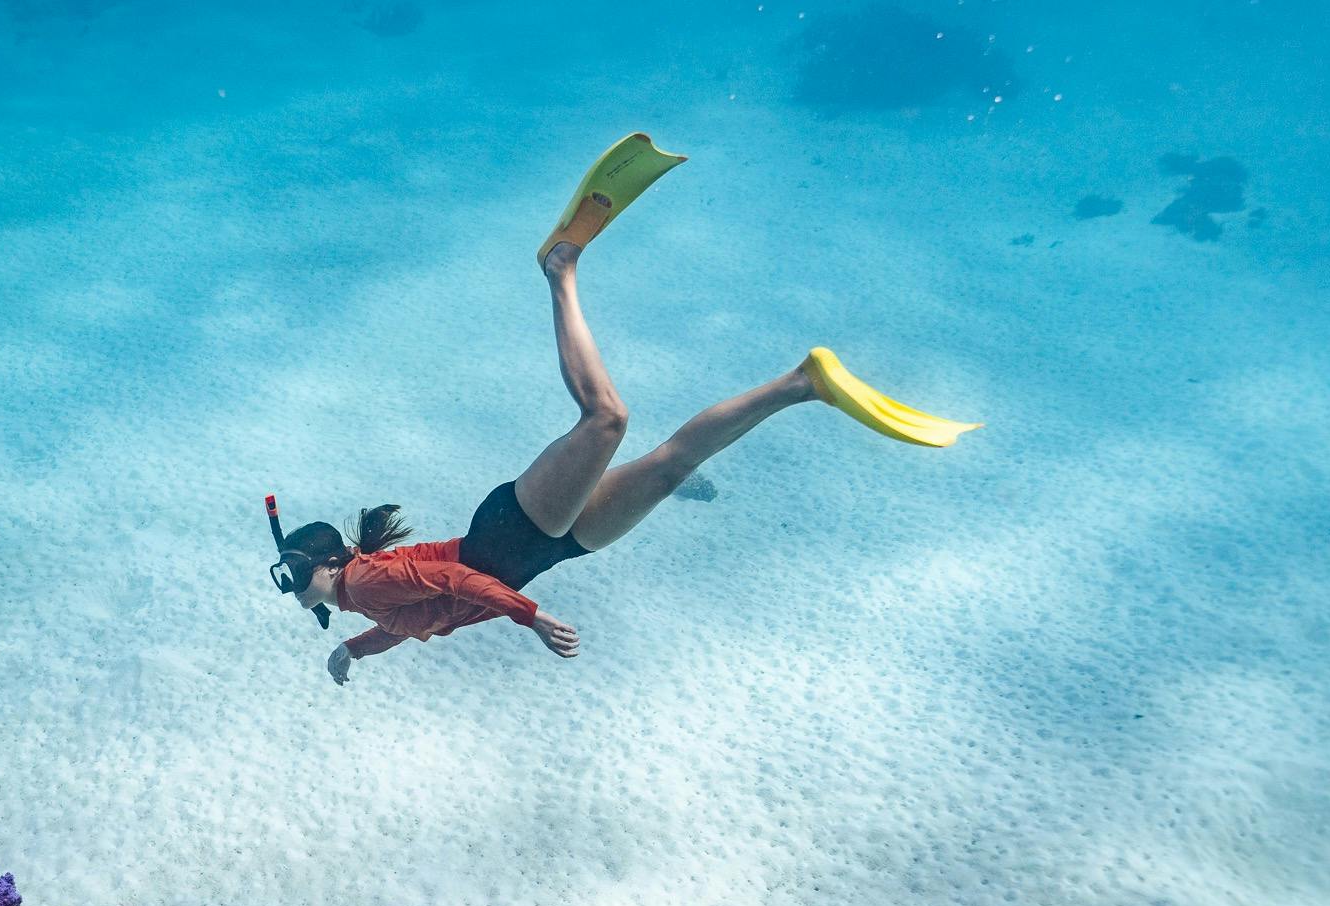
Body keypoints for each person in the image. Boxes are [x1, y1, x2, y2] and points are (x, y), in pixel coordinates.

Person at [266, 133, 979, 687]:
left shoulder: (365, 579)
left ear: (328, 564)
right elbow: (410, 622)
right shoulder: (364, 598)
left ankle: (559, 269)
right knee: (670, 468)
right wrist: (355, 651)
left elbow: (454, 583)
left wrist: (532, 619)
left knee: (605, 418)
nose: (294, 589)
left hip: (515, 536)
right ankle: (803, 383)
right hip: (541, 550)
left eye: (295, 574)